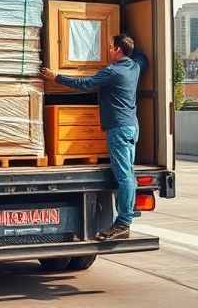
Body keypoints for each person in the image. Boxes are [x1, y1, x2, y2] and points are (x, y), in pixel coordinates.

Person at [41, 34, 148, 241]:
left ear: (118, 50)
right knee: (128, 174)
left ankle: (124, 222)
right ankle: (126, 216)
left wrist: (56, 77)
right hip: (132, 128)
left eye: (110, 47)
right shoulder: (134, 67)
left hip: (118, 129)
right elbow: (144, 58)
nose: (108, 51)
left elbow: (85, 84)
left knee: (124, 175)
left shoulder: (112, 71)